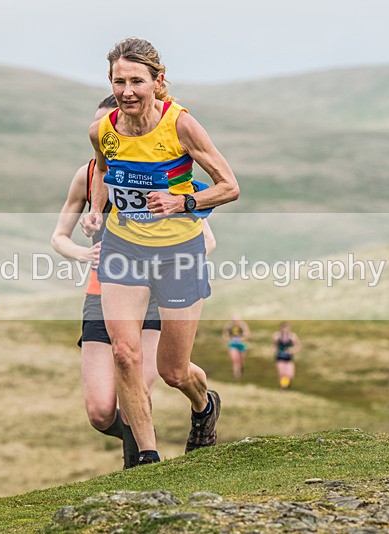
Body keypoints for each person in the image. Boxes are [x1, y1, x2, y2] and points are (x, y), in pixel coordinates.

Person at [81, 37, 239, 465]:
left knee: (173, 371)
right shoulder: (103, 130)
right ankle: (148, 461)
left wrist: (183, 202)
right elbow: (102, 172)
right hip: (123, 248)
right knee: (125, 354)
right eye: (119, 81)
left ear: (158, 81)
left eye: (137, 80)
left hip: (178, 253)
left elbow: (230, 187)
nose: (127, 90)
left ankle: (203, 405)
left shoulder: (181, 125)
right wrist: (95, 211)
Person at [52, 95, 218, 468]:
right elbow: (58, 236)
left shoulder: (157, 169)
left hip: (159, 287)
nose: (110, 133)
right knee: (99, 411)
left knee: (151, 377)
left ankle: (141, 465)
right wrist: (83, 253)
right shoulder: (88, 175)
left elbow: (206, 239)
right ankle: (142, 441)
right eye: (102, 129)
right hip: (106, 287)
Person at [273, 322, 302, 390]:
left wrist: (292, 351)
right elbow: (273, 345)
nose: (285, 330)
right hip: (280, 358)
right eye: (283, 328)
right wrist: (275, 351)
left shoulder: (292, 336)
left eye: (286, 328)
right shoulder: (277, 336)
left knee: (290, 374)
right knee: (282, 374)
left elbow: (299, 345)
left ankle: (287, 386)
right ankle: (284, 388)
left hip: (289, 358)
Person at [222, 313, 250, 379]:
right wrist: (230, 339)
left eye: (236, 320)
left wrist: (241, 338)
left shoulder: (242, 325)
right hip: (232, 344)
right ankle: (237, 375)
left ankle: (240, 370)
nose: (235, 322)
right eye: (234, 320)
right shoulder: (229, 326)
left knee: (241, 360)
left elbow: (247, 334)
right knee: (235, 359)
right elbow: (224, 335)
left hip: (241, 344)